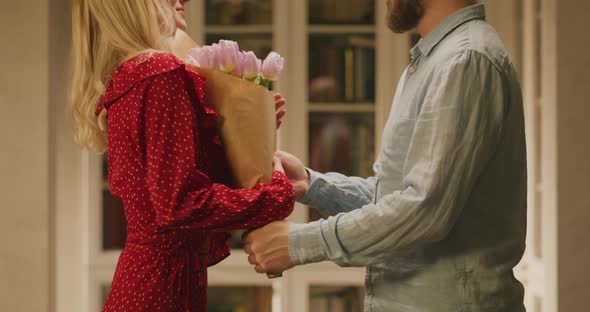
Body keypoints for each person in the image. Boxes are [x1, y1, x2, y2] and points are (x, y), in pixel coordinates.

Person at [244, 0, 527, 311]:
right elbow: (400, 199)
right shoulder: (434, 60)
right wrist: (313, 185)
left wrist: (299, 244)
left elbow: (424, 210)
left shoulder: (464, 60)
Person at [70, 0, 295, 311]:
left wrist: (247, 135)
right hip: (161, 291)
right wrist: (276, 195)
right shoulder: (160, 72)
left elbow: (173, 192)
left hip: (149, 284)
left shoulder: (131, 74)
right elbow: (181, 206)